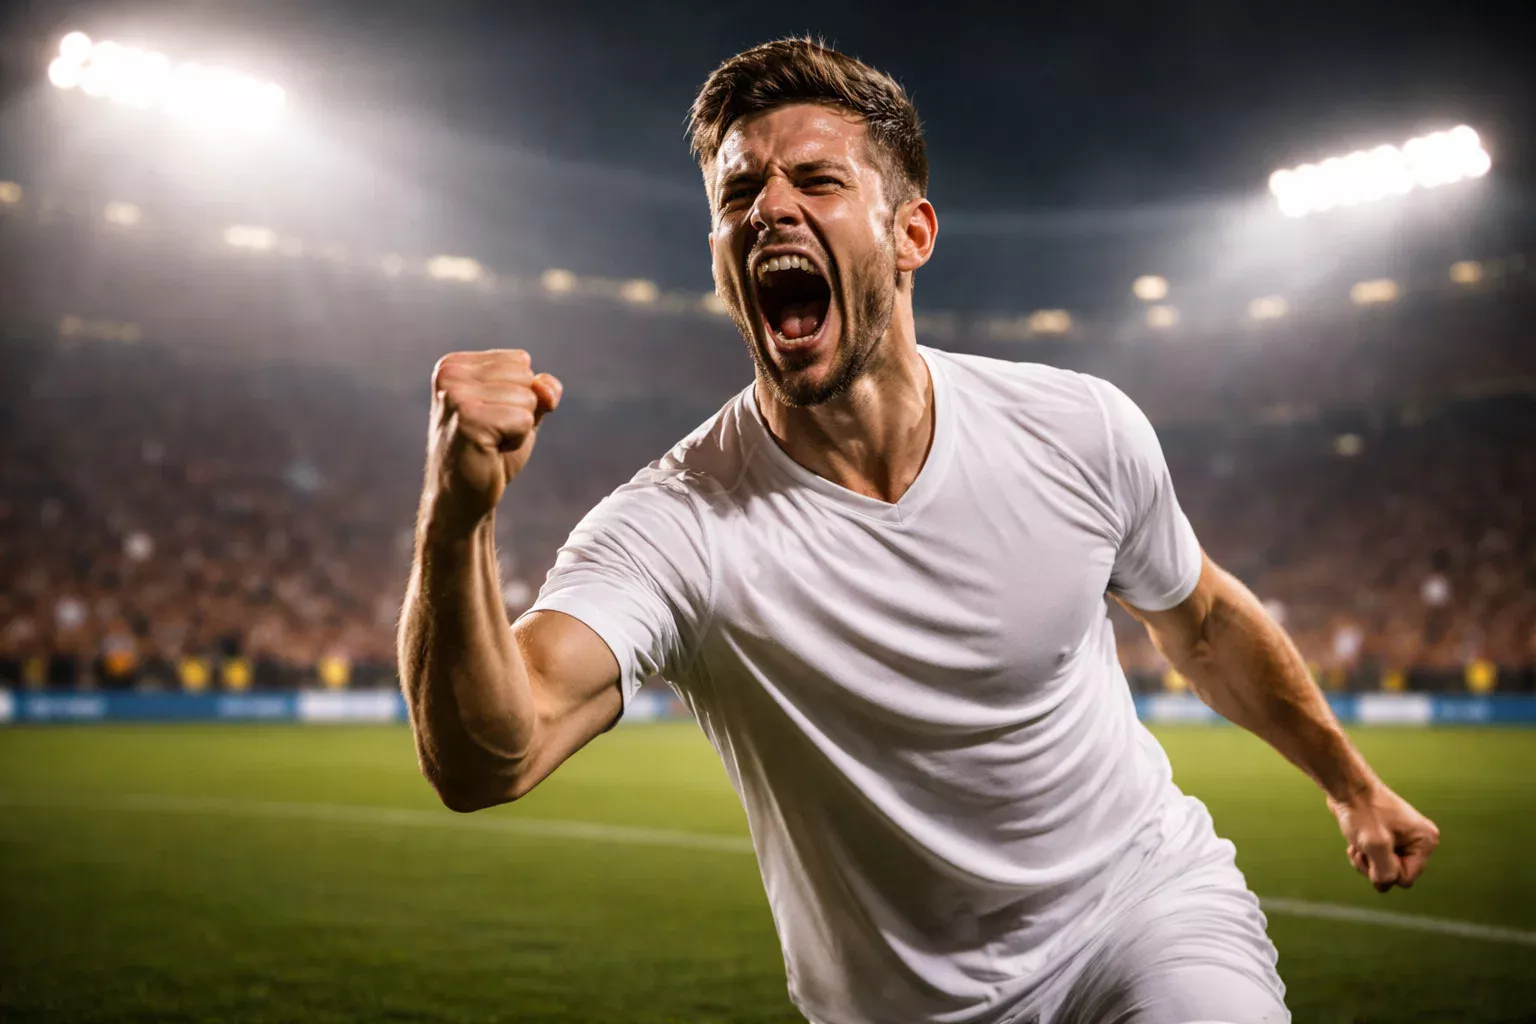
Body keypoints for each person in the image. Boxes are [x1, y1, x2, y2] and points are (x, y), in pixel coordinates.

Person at [397, 38, 1439, 1024]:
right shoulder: (677, 526)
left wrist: (1354, 787)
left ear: (912, 235)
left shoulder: (1078, 429)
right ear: (717, 256)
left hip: (1145, 916)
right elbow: (490, 757)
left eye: (816, 180)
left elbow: (1203, 623)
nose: (769, 210)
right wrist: (457, 517)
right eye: (737, 194)